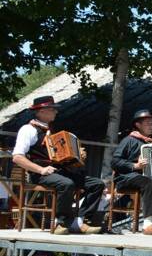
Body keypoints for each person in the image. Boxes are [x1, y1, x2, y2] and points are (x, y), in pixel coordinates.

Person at [11, 96, 103, 235]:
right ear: (40, 111)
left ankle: (82, 221)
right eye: (52, 109)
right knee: (66, 184)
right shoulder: (28, 130)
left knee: (97, 184)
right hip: (39, 174)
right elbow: (17, 157)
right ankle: (60, 223)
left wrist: (77, 156)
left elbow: (59, 158)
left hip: (57, 172)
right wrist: (41, 169)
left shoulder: (51, 131)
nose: (56, 112)